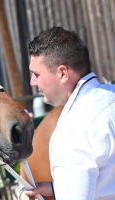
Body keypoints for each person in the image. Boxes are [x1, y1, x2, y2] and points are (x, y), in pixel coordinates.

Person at [25, 26, 115, 199]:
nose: (32, 82)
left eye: (36, 74)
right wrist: (60, 187)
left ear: (63, 73)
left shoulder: (71, 132)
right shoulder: (111, 95)